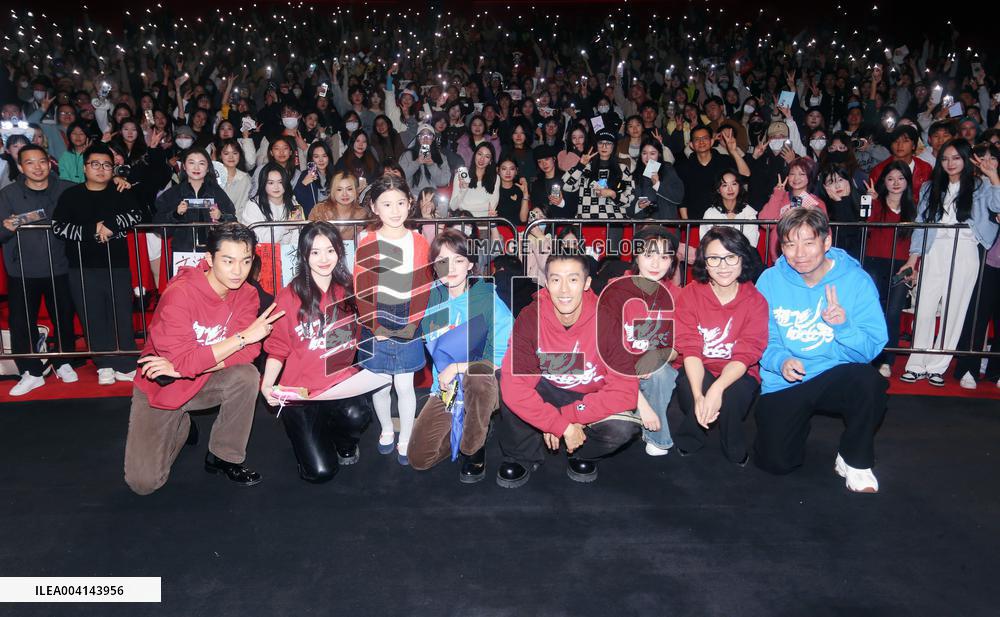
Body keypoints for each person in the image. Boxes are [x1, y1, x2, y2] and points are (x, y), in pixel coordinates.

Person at [124, 223, 285, 495]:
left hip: (202, 379)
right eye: (228, 261)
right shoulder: (180, 294)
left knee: (246, 375)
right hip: (163, 387)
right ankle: (183, 425)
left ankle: (224, 456)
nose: (238, 270)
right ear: (209, 259)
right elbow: (241, 345)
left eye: (246, 261)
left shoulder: (246, 293)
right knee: (144, 484)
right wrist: (242, 337)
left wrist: (188, 367)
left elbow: (249, 354)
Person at [754, 208, 888, 493]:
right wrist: (780, 361)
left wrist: (844, 326)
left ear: (826, 242)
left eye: (808, 242)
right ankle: (796, 424)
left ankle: (855, 459)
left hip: (833, 373)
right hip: (786, 379)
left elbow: (871, 350)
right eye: (790, 244)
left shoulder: (856, 281)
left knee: (869, 382)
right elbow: (760, 337)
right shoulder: (769, 280)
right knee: (775, 463)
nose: (799, 253)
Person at [260, 222, 392, 482]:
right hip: (301, 394)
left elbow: (366, 333)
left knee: (358, 414)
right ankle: (309, 434)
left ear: (339, 253)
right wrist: (267, 384)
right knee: (320, 473)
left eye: (330, 251)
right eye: (315, 252)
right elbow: (277, 348)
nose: (323, 259)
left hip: (339, 386)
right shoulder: (287, 297)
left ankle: (343, 442)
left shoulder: (351, 292)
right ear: (304, 255)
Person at [496, 252, 641, 487]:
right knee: (507, 381)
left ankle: (583, 452)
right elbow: (515, 386)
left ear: (586, 284)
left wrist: (567, 418)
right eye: (555, 280)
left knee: (624, 426)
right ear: (546, 283)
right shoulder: (531, 317)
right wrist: (559, 425)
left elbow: (625, 390)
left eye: (573, 280)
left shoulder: (607, 320)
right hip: (546, 387)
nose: (564, 290)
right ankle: (521, 454)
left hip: (587, 395)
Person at [409, 229, 513, 482]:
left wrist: (457, 367)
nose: (451, 268)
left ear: (470, 264)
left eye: (458, 260)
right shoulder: (430, 300)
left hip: (486, 384)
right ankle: (474, 426)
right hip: (447, 389)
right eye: (443, 261)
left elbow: (507, 352)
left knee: (476, 377)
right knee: (419, 458)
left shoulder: (485, 298)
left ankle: (473, 449)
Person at [899, 140, 1000, 386]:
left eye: (956, 158)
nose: (950, 163)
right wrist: (913, 258)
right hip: (935, 250)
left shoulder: (981, 186)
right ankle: (916, 363)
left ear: (966, 160)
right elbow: (921, 226)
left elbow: (998, 206)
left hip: (966, 251)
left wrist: (993, 175)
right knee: (924, 307)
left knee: (954, 312)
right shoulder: (930, 187)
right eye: (945, 158)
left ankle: (937, 366)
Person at [353, 174, 432, 466]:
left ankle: (406, 437)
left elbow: (424, 285)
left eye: (400, 202)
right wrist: (374, 325)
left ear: (410, 204)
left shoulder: (419, 240)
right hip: (377, 317)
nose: (395, 210)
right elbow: (361, 287)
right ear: (374, 207)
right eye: (387, 204)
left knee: (405, 384)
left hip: (408, 315)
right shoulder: (367, 240)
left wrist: (413, 323)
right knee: (380, 384)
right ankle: (387, 429)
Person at [51, 143, 145, 386]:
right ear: (85, 168)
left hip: (117, 265)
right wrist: (92, 230)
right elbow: (58, 227)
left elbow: (138, 215)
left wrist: (113, 223)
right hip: (81, 267)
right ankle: (104, 364)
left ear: (113, 168)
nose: (101, 169)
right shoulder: (71, 195)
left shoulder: (121, 191)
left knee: (122, 315)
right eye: (95, 164)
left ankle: (126, 363)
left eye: (106, 165)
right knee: (92, 317)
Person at [674, 226, 768, 464]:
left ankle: (732, 441)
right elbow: (690, 348)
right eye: (714, 258)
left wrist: (717, 389)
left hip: (738, 369)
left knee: (732, 394)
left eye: (730, 257)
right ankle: (690, 435)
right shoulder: (689, 295)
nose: (723, 266)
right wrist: (699, 396)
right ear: (704, 262)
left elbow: (747, 354)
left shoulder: (755, 300)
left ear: (741, 259)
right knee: (692, 387)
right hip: (699, 366)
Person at [0, 144, 79, 395]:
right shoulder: (8, 193)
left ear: (49, 163)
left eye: (41, 161)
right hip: (21, 269)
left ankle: (64, 361)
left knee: (64, 318)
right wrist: (7, 227)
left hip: (60, 266)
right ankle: (31, 371)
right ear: (21, 167)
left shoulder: (66, 188)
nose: (37, 167)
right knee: (22, 323)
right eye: (30, 163)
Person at [599, 226, 682, 456]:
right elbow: (606, 344)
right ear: (636, 256)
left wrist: (657, 356)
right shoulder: (616, 289)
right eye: (649, 255)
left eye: (664, 257)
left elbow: (679, 345)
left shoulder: (676, 295)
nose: (656, 264)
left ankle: (653, 434)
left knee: (661, 373)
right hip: (617, 363)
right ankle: (645, 417)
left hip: (653, 365)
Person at [862, 161, 917, 378]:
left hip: (902, 264)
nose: (896, 183)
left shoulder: (914, 207)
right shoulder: (875, 202)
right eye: (891, 178)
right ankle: (869, 355)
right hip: (874, 261)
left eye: (901, 178)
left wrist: (915, 267)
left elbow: (917, 241)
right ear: (884, 181)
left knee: (893, 312)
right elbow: (866, 223)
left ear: (907, 182)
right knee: (872, 310)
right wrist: (871, 200)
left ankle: (887, 359)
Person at [153, 148, 237, 253]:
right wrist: (175, 214)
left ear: (208, 168)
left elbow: (233, 221)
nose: (196, 168)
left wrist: (221, 217)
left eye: (201, 163)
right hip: (183, 253)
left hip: (213, 253)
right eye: (191, 163)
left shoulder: (216, 192)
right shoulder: (173, 193)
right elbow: (158, 227)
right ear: (184, 166)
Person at [758, 157, 827, 263]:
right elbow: (765, 222)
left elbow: (824, 232)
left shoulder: (816, 203)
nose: (796, 178)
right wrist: (777, 194)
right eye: (792, 174)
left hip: (806, 257)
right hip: (778, 257)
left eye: (802, 174)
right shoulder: (780, 197)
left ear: (809, 177)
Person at [675, 124, 751, 219]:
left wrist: (733, 151)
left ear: (711, 141)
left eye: (705, 138)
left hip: (722, 218)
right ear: (691, 145)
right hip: (695, 220)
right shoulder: (684, 167)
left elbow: (746, 176)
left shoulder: (724, 161)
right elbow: (682, 196)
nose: (701, 142)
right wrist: (686, 222)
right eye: (697, 139)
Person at [238, 163, 304, 247]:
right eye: (271, 183)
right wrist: (285, 226)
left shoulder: (293, 203)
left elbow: (297, 237)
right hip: (262, 255)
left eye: (280, 182)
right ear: (263, 184)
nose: (276, 187)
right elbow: (256, 239)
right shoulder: (253, 205)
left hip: (288, 255)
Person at [701, 170, 759, 247]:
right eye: (725, 185)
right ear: (718, 189)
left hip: (743, 256)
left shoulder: (748, 212)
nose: (730, 189)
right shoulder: (710, 213)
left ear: (739, 186)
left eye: (734, 184)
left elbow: (752, 244)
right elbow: (705, 244)